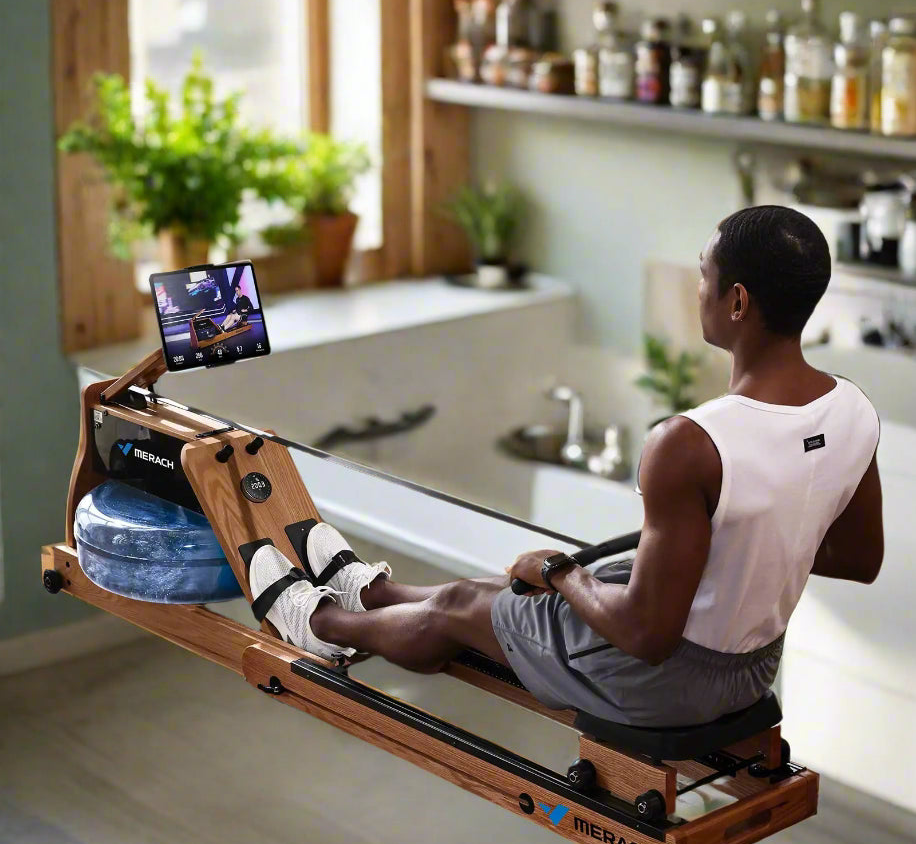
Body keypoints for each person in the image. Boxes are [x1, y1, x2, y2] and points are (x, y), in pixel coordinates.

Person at [249, 206, 883, 726]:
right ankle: (371, 590)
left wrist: (559, 573)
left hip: (663, 684)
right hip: (753, 669)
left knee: (464, 605)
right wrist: (748, 544)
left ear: (737, 301)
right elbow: (859, 559)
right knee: (507, 596)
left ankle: (322, 624)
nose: (700, 289)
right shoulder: (852, 411)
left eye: (703, 273)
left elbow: (647, 635)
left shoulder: (691, 442)